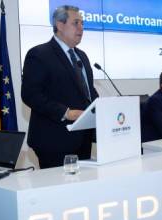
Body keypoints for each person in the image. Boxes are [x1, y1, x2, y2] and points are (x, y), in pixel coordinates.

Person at [21, 5, 98, 169]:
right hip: (53, 139)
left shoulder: (82, 56)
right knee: (58, 193)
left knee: (82, 190)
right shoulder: (39, 54)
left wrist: (103, 108)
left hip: (83, 137)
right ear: (60, 25)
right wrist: (66, 113)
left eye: (82, 23)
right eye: (76, 23)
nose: (81, 28)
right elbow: (30, 94)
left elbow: (88, 91)